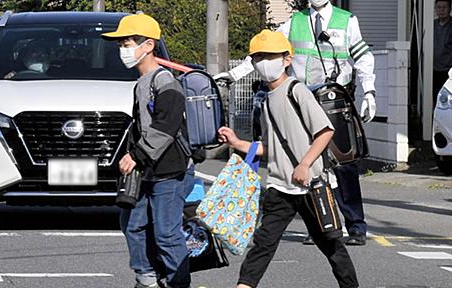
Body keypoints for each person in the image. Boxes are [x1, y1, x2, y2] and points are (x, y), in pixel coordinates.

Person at [216, 0, 375, 246]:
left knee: (343, 163)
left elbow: (363, 57)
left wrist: (369, 92)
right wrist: (234, 75)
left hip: (335, 97)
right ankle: (321, 225)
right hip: (301, 97)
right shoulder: (295, 21)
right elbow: (263, 52)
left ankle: (356, 226)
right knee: (309, 162)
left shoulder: (347, 20)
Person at [218, 29, 359, 288]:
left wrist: (305, 164)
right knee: (264, 243)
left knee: (330, 244)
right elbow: (271, 147)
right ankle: (244, 285)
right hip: (279, 186)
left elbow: (325, 131)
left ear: (286, 59)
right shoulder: (266, 99)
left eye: (269, 56)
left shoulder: (297, 91)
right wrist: (238, 143)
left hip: (309, 184)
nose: (263, 62)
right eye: (258, 57)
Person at [102, 14, 191, 288]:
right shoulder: (143, 81)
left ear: (148, 45)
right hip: (146, 171)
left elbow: (166, 125)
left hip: (169, 171)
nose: (122, 50)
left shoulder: (165, 82)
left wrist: (136, 155)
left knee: (166, 233)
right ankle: (147, 278)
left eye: (127, 43)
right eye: (120, 44)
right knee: (133, 224)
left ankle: (177, 282)